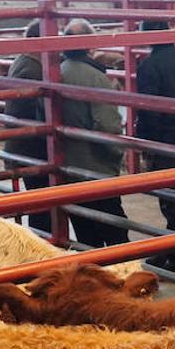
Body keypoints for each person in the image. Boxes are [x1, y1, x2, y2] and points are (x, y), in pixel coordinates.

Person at [59, 18, 130, 248]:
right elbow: (108, 124)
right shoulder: (95, 77)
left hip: (68, 167)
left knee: (86, 234)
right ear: (90, 45)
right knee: (115, 231)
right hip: (97, 168)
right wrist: (117, 154)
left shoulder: (56, 72)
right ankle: (121, 276)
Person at [135, 20, 175, 272]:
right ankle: (173, 250)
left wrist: (146, 144)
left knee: (171, 198)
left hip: (165, 139)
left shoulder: (149, 66)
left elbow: (149, 109)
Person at [3, 19, 51, 235]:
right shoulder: (32, 69)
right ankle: (44, 248)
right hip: (32, 147)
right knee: (42, 205)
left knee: (40, 202)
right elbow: (36, 111)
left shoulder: (24, 63)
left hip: (24, 145)